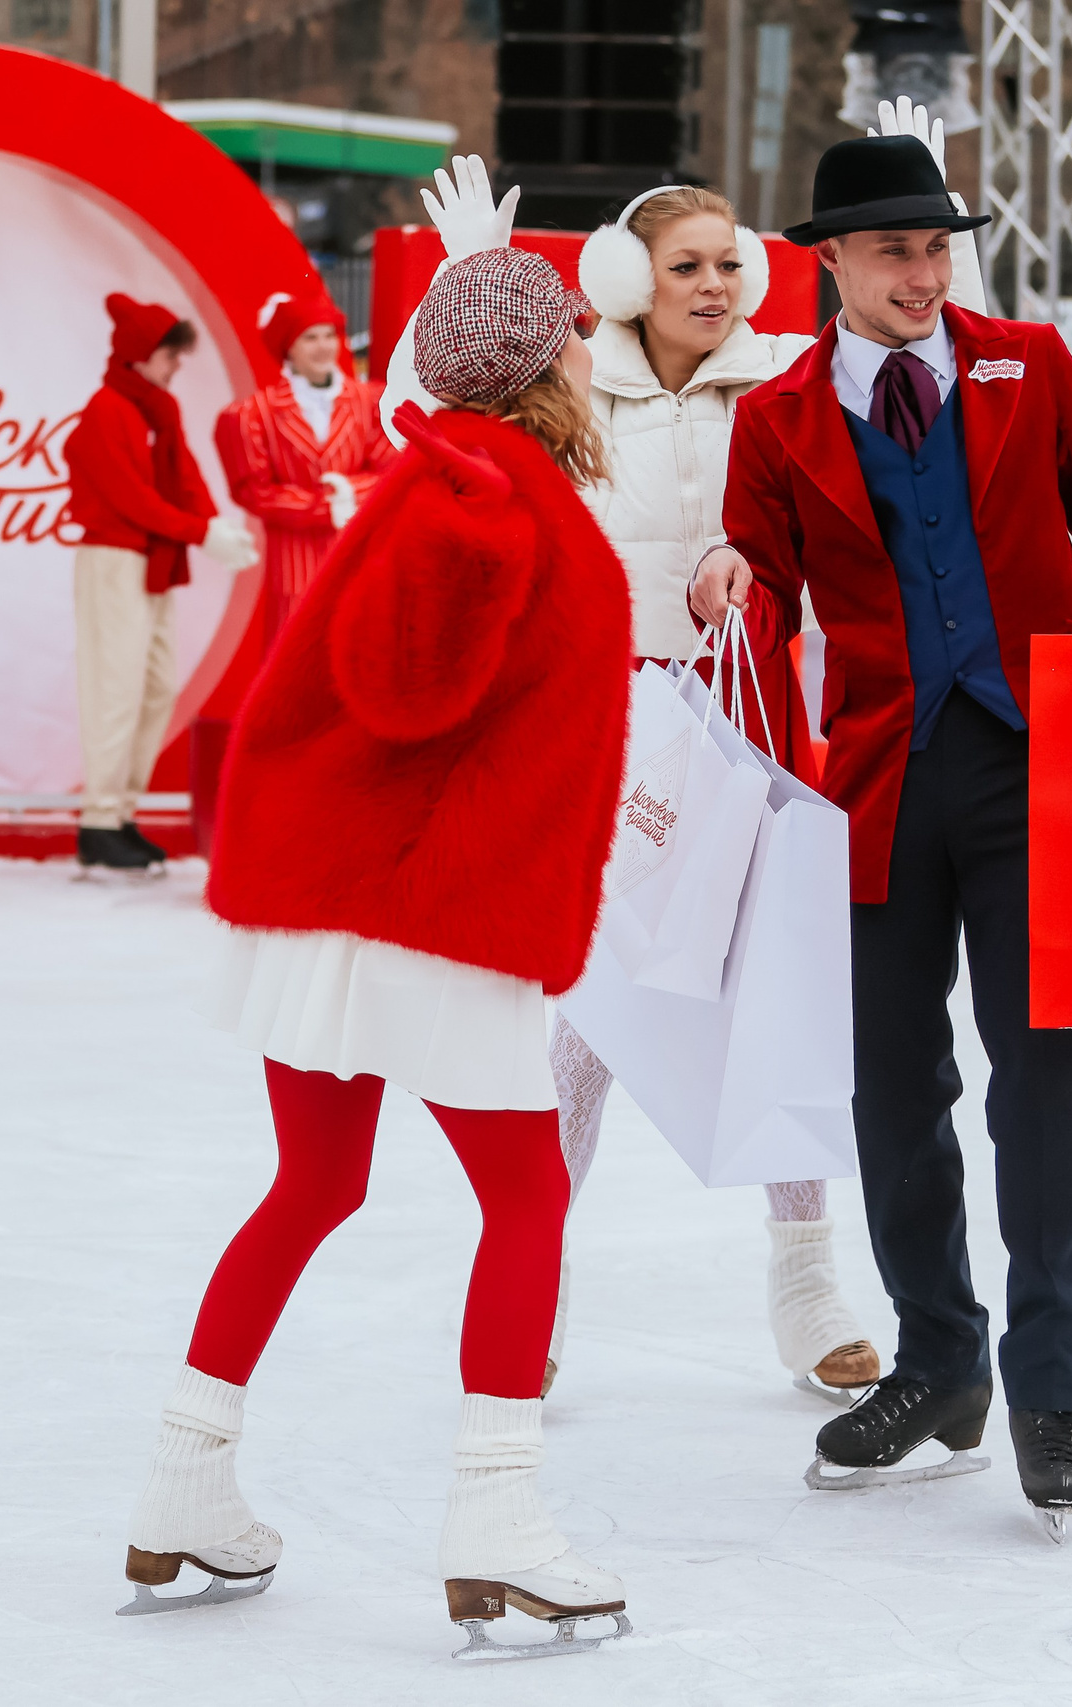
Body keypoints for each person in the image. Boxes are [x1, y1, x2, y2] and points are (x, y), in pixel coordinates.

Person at [689, 134, 1072, 1535]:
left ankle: (1048, 1383)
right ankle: (939, 1359)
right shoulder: (779, 418)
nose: (925, 276)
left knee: (1046, 1083)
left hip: (1035, 772)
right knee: (893, 1093)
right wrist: (725, 577)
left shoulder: (1030, 363)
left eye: (939, 250)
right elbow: (761, 599)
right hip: (878, 788)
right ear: (830, 261)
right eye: (895, 253)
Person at [120, 243, 639, 1661]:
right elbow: (408, 685)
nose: (594, 355)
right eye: (577, 336)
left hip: (342, 894)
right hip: (426, 901)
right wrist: (462, 538)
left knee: (315, 1179)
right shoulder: (480, 489)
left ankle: (185, 1475)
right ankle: (496, 1514)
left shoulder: (448, 472)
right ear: (539, 368)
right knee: (527, 1195)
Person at [556, 104, 987, 1408]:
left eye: (728, 262)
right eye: (682, 264)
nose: (710, 285)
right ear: (630, 279)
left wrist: (927, 200)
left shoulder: (799, 375)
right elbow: (446, 428)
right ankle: (534, 1282)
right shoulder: (574, 390)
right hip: (616, 733)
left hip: (753, 729)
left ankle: (807, 1285)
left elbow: (952, 352)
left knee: (788, 1001)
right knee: (583, 1023)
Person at [64, 294, 256, 873]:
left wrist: (212, 524)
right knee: (114, 688)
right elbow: (130, 499)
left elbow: (184, 475)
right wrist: (202, 532)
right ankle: (99, 818)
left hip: (151, 561)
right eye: (170, 355)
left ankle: (119, 813)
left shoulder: (157, 410)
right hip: (115, 560)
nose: (176, 366)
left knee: (151, 690)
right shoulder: (108, 411)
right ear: (143, 354)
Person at [212, 285, 395, 647]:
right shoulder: (253, 415)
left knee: (359, 660)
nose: (324, 346)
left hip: (361, 559)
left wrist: (352, 494)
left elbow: (393, 468)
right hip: (295, 568)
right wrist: (326, 506)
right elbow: (254, 491)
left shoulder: (371, 401)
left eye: (330, 335)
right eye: (310, 337)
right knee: (294, 664)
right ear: (288, 348)